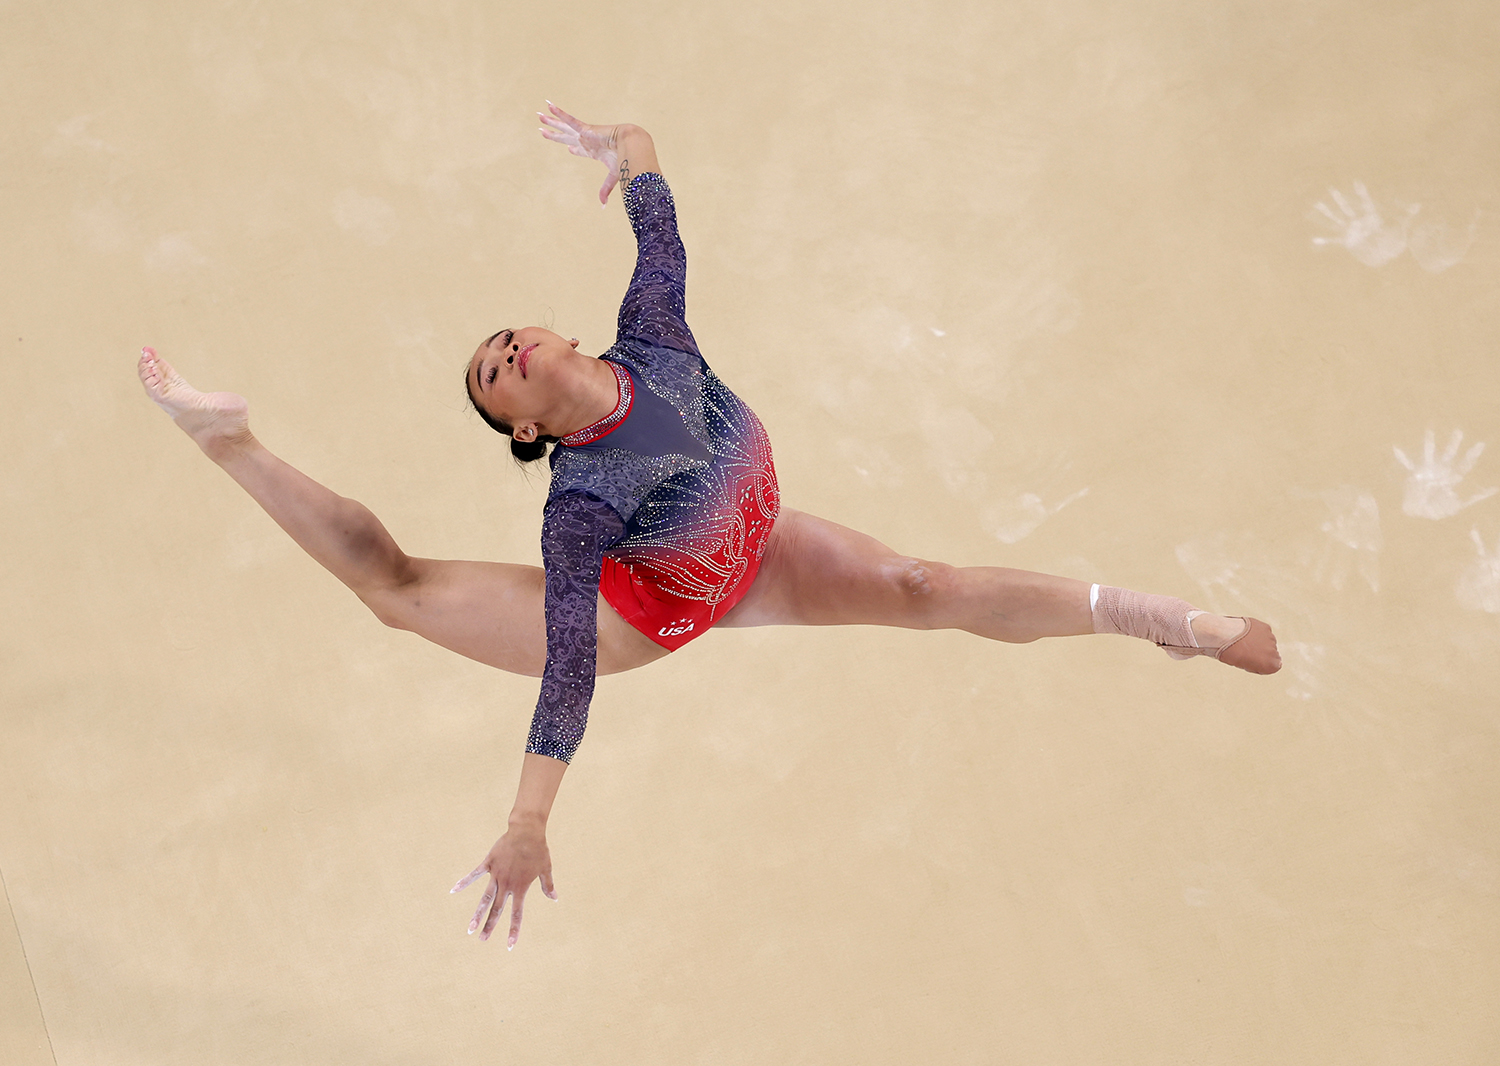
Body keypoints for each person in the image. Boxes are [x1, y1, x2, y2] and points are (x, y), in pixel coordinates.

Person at [136, 102, 1281, 951]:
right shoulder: (580, 506)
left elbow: (654, 192)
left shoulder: (656, 326)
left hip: (764, 547)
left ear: (558, 331)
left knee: (924, 588)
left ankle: (1167, 621)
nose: (503, 357)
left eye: (503, 340)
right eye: (492, 381)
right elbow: (571, 665)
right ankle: (226, 441)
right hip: (651, 612)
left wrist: (621, 143)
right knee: (392, 587)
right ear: (523, 427)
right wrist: (527, 819)